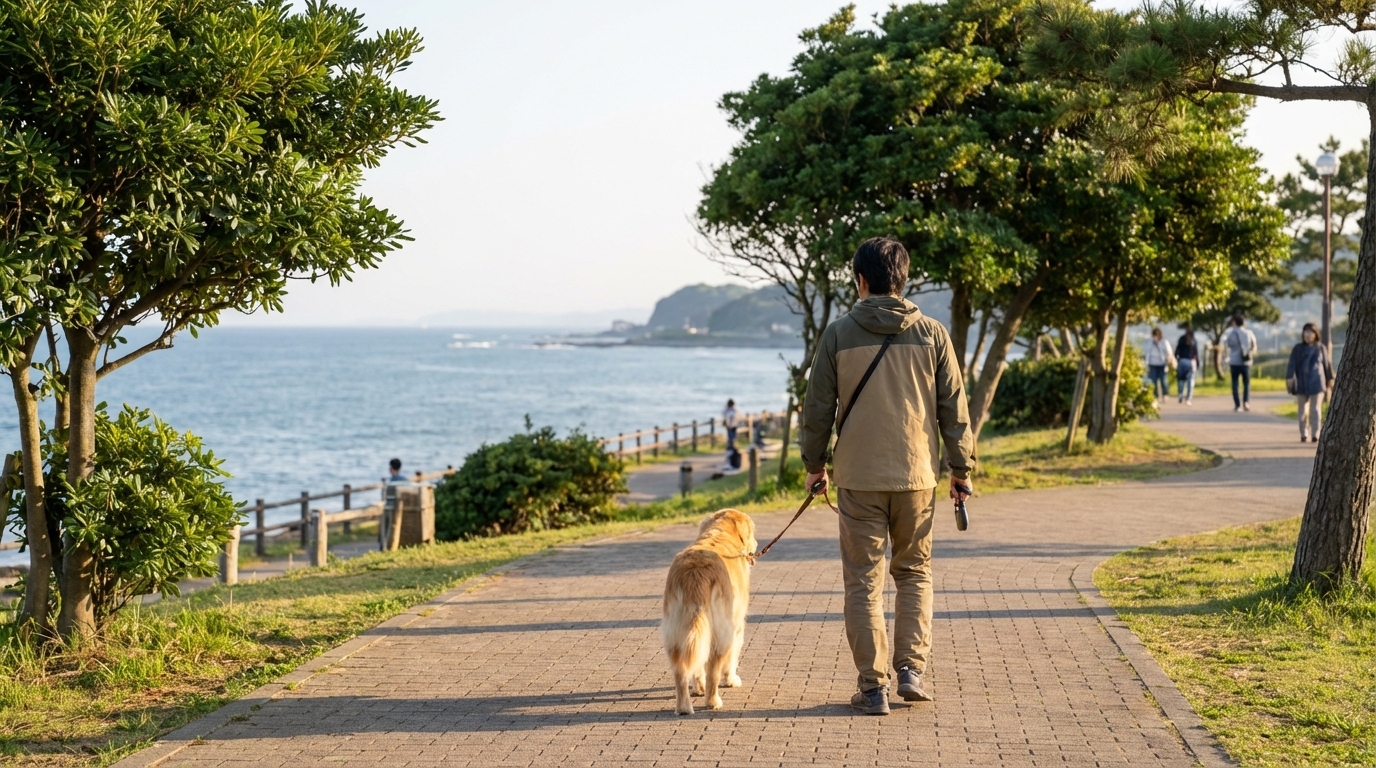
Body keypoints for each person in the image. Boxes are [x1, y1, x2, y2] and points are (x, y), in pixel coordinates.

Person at [799, 237, 975, 716]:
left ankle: (873, 687)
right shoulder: (934, 334)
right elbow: (954, 411)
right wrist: (961, 470)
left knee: (862, 581)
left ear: (861, 280)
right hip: (917, 476)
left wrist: (815, 466)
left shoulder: (837, 334)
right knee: (915, 573)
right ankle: (911, 671)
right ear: (904, 279)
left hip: (858, 477)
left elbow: (817, 409)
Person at [1285, 322, 1334, 442]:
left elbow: (1327, 366)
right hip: (1301, 382)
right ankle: (1303, 433)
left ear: (1315, 334)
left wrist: (1330, 379)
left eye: (1310, 332)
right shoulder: (1298, 348)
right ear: (1303, 334)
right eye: (1305, 332)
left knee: (1315, 409)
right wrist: (1289, 378)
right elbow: (1292, 364)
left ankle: (1315, 434)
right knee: (1302, 409)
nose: (1308, 335)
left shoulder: (1321, 348)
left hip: (1317, 382)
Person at [1224, 313, 1257, 412]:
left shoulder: (1230, 333)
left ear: (1234, 322)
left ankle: (1237, 405)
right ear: (1243, 322)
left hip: (1234, 361)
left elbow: (1228, 344)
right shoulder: (1248, 332)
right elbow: (1252, 345)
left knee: (1235, 383)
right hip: (1245, 361)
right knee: (1246, 383)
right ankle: (1246, 402)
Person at [1144, 327, 1175, 404]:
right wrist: (1147, 363)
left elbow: (1169, 352)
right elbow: (1147, 353)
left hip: (1162, 364)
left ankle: (1165, 394)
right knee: (1153, 381)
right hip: (1153, 364)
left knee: (1163, 380)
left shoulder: (1164, 342)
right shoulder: (1150, 342)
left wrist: (1170, 360)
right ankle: (1155, 396)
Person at [1174, 326, 1200, 405]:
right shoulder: (1194, 341)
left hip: (1182, 361)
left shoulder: (1182, 339)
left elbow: (1177, 350)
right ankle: (1188, 398)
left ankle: (1180, 395)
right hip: (1191, 362)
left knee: (1181, 379)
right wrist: (1197, 363)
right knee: (1190, 380)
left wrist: (1177, 358)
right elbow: (1196, 353)